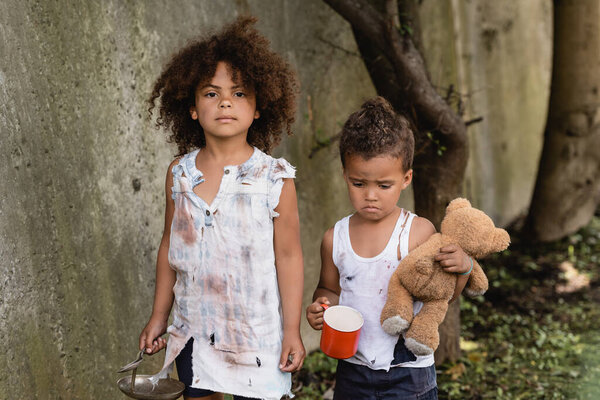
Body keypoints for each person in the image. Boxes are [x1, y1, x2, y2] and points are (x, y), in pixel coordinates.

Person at [138, 17, 305, 400]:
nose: (226, 101)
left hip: (257, 335)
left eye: (240, 93)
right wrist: (159, 316)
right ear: (192, 108)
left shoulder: (274, 178)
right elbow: (170, 246)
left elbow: (289, 255)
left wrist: (292, 329)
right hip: (194, 328)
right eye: (211, 93)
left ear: (259, 107)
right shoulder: (179, 174)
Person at [306, 97, 474, 400]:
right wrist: (322, 307)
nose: (371, 195)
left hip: (410, 371)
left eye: (384, 186)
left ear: (405, 179)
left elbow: (444, 294)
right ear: (345, 175)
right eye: (359, 183)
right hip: (353, 368)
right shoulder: (335, 238)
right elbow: (329, 288)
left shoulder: (418, 233)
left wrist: (464, 267)